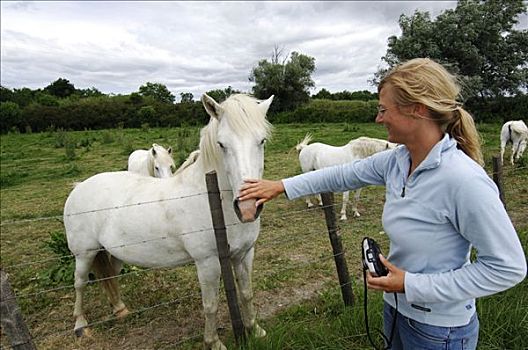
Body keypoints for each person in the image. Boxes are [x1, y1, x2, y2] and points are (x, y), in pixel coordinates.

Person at [238, 58, 527, 349]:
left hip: (440, 332)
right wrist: (280, 186)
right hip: (397, 310)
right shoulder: (398, 160)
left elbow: (508, 267)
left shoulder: (464, 180)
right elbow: (342, 174)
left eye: (383, 110)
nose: (378, 119)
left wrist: (411, 285)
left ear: (418, 109)